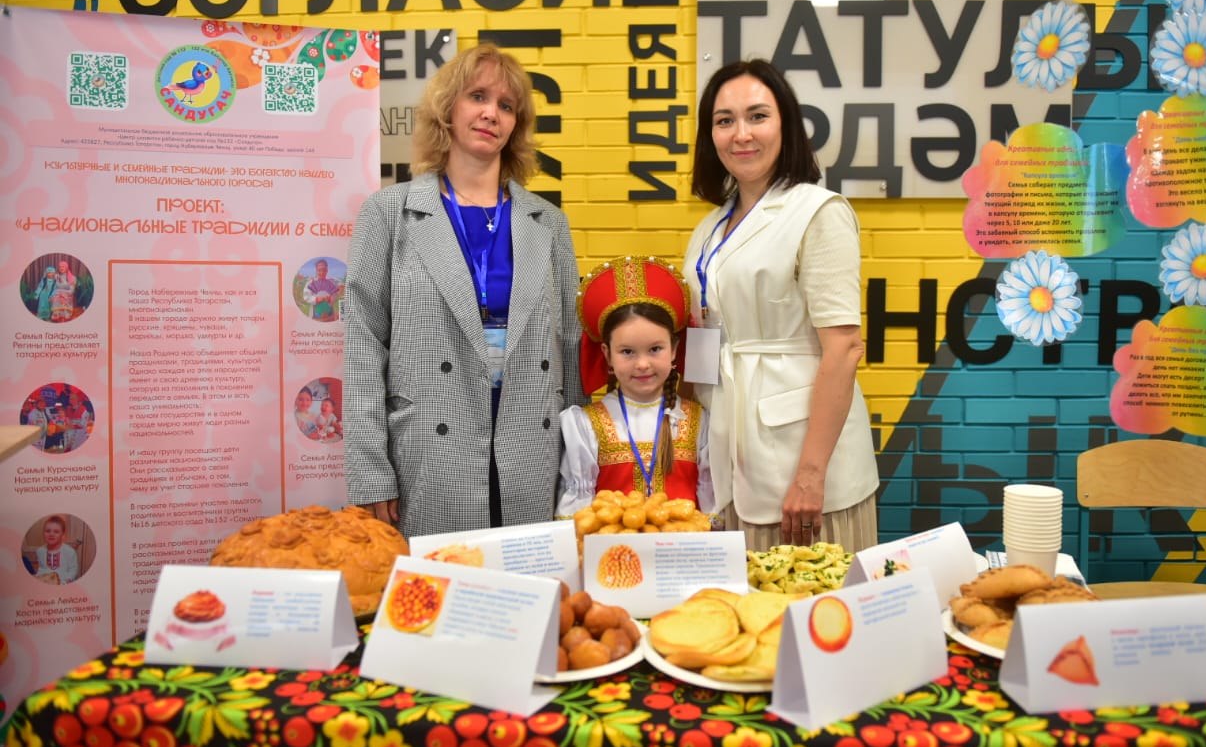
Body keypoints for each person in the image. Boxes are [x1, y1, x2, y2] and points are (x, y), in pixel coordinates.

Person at [344, 42, 584, 538]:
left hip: (531, 451)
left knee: (528, 582)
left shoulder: (548, 223)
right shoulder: (388, 214)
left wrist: (578, 469)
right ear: (447, 109)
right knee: (440, 582)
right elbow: (363, 348)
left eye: (506, 105)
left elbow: (571, 345)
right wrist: (370, 472)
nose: (491, 113)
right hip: (429, 452)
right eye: (478, 97)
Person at [681, 59, 879, 552]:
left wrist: (811, 474)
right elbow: (704, 337)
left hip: (802, 463)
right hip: (729, 452)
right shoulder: (709, 229)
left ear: (785, 125)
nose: (741, 134)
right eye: (724, 121)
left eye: (757, 116)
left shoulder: (819, 211)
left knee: (815, 594)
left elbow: (844, 349)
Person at [557, 256, 715, 518]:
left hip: (685, 542)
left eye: (655, 349)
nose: (642, 364)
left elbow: (711, 508)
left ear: (674, 350)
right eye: (627, 352)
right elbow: (578, 514)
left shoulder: (699, 422)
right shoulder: (585, 424)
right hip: (613, 544)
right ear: (607, 354)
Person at [32, 514, 79, 585]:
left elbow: (73, 569)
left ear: (63, 535)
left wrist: (67, 580)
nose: (51, 534)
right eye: (48, 531)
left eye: (56, 531)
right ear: (43, 533)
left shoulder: (70, 552)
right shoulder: (40, 551)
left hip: (63, 583)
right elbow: (41, 568)